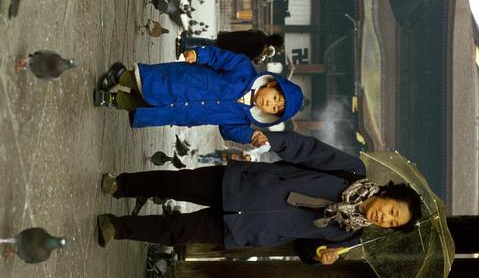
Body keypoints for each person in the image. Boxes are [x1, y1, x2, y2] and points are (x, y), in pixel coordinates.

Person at [96, 130, 422, 262]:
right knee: (178, 184)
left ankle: (118, 228)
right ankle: (122, 185)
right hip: (245, 184)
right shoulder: (350, 171)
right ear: (389, 194)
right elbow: (310, 152)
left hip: (245, 230)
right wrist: (274, 139)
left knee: (177, 232)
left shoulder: (349, 234)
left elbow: (303, 245)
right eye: (393, 210)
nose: (386, 218)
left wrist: (321, 253)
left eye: (392, 223)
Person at [93, 45, 303, 145]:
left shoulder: (242, 119)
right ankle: (121, 76)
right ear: (273, 84)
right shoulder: (244, 70)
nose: (269, 103)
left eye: (274, 109)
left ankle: (114, 100)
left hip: (185, 113)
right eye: (275, 98)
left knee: (150, 109)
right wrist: (199, 54)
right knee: (153, 83)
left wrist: (250, 136)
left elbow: (229, 132)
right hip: (186, 81)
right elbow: (219, 57)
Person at [178, 29, 284, 64]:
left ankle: (185, 41)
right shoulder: (260, 49)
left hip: (229, 39)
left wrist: (227, 34)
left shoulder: (260, 33)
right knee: (207, 49)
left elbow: (244, 32)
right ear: (273, 44)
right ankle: (185, 48)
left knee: (206, 42)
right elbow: (245, 58)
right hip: (229, 49)